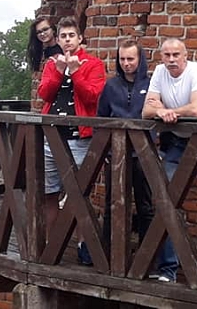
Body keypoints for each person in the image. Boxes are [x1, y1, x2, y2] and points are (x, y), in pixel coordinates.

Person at [142, 38, 197, 283]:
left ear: (185, 55)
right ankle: (168, 270)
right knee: (166, 200)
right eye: (167, 55)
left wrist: (167, 110)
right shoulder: (159, 73)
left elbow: (196, 109)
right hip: (176, 143)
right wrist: (158, 110)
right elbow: (146, 111)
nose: (171, 59)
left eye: (176, 55)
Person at [37, 16, 106, 265]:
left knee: (79, 194)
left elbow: (92, 98)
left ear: (80, 38)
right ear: (59, 39)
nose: (67, 40)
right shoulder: (52, 64)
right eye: (63, 36)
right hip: (51, 136)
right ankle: (52, 243)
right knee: (49, 193)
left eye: (71, 36)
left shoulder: (93, 64)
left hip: (79, 138)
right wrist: (59, 71)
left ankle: (82, 244)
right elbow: (44, 94)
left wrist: (75, 72)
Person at [97, 40, 154, 254]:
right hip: (116, 153)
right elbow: (101, 118)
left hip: (143, 153)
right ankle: (110, 252)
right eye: (122, 59)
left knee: (145, 204)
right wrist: (104, 150)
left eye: (130, 59)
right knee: (113, 203)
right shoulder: (111, 86)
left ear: (140, 59)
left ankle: (147, 254)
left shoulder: (151, 85)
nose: (126, 63)